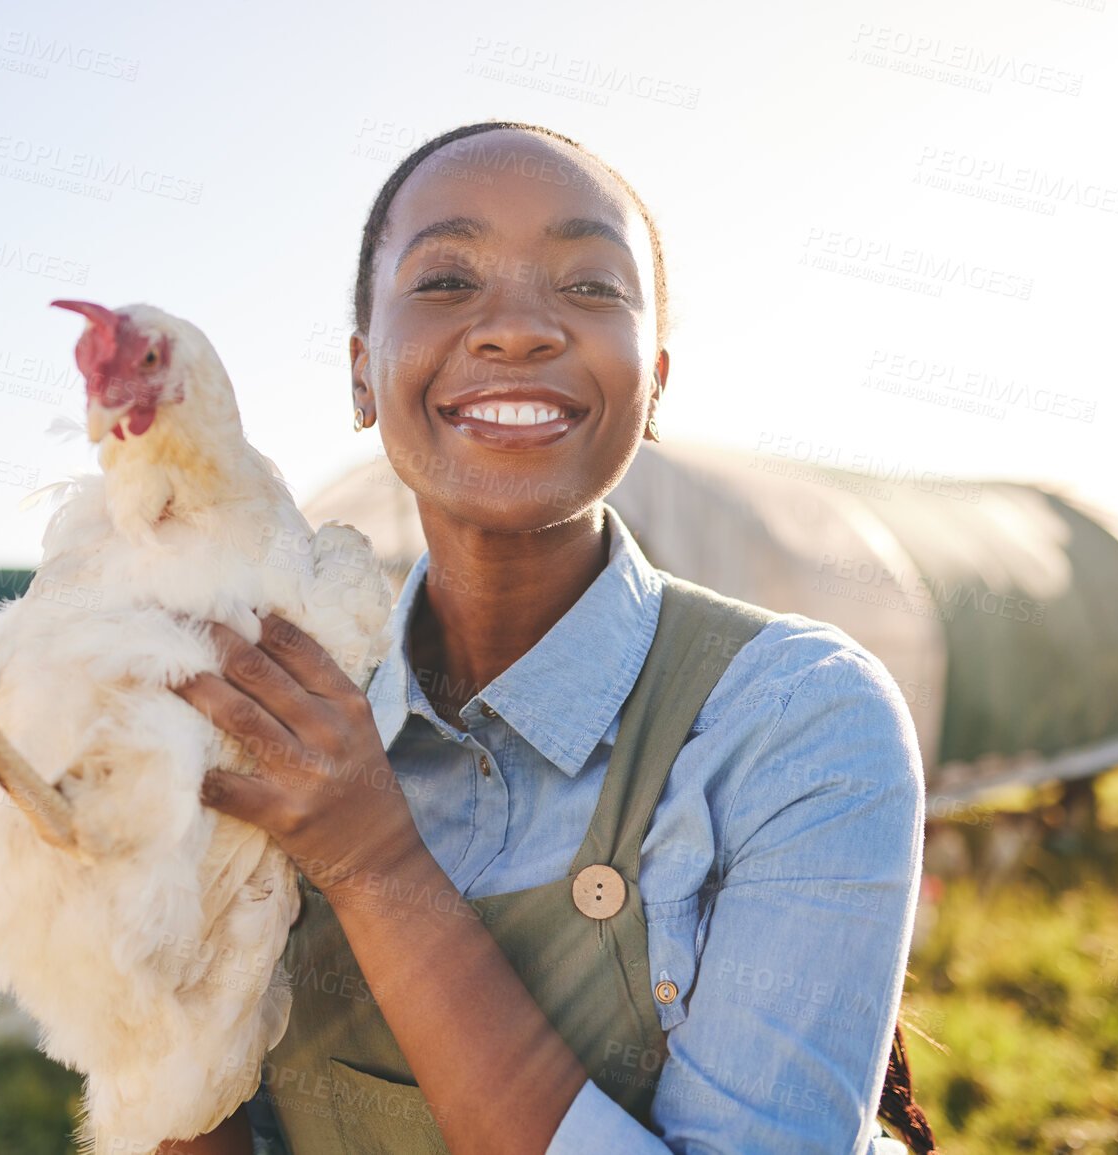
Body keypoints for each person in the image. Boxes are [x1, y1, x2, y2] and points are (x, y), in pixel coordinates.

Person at [169, 122, 926, 1155]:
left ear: (654, 378)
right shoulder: (282, 717)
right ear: (361, 373)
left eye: (588, 285)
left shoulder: (798, 719)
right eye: (445, 280)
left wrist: (373, 862)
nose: (517, 329)